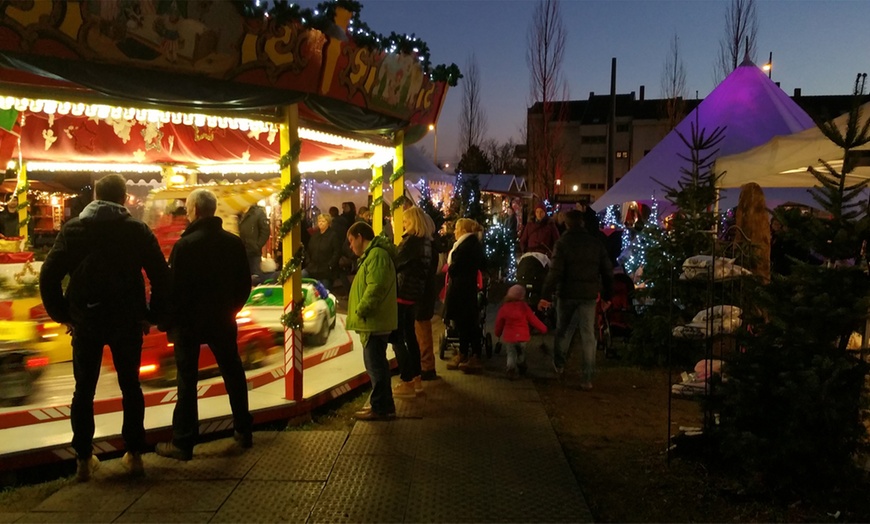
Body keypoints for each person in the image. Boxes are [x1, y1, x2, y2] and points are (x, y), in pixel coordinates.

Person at [39, 174, 170, 481]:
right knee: (131, 387)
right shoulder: (137, 231)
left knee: (83, 390)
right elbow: (162, 276)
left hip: (87, 320)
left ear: (95, 196)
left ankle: (84, 460)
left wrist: (63, 315)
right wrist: (152, 315)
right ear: (124, 198)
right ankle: (134, 454)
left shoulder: (73, 230)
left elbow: (48, 276)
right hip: (127, 320)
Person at [156, 188, 254, 460]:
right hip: (222, 319)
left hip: (189, 323)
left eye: (187, 209)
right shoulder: (232, 243)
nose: (186, 213)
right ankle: (244, 430)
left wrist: (169, 321)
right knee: (233, 372)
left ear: (196, 211)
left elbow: (174, 290)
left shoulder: (185, 246)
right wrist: (230, 309)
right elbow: (244, 284)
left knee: (187, 379)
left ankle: (184, 441)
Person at [538, 210, 613, 390]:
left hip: (567, 293)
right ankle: (587, 378)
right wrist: (608, 296)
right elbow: (607, 271)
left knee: (563, 330)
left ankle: (560, 365)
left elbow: (555, 272)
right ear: (582, 223)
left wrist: (545, 296)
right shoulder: (595, 243)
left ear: (566, 223)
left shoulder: (563, 243)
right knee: (588, 335)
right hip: (588, 295)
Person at [345, 221, 398, 420]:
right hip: (373, 321)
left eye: (351, 241)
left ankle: (381, 408)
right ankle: (381, 405)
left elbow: (376, 286)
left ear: (360, 236)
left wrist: (362, 309)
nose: (351, 246)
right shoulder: (374, 255)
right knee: (376, 365)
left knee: (376, 366)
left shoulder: (376, 255)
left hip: (374, 320)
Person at [390, 206, 434, 398]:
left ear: (413, 222)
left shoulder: (410, 242)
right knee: (410, 337)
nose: (403, 225)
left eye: (406, 222)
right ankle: (416, 379)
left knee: (397, 338)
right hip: (414, 294)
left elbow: (395, 261)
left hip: (402, 291)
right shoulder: (425, 242)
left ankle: (406, 379)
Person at [442, 218, 487, 374]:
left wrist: (451, 267)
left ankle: (472, 355)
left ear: (463, 231)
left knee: (467, 322)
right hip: (463, 288)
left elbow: (455, 268)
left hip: (463, 289)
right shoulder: (470, 245)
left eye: (456, 228)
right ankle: (464, 353)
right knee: (464, 322)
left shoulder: (467, 246)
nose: (454, 231)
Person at [495, 284, 548, 380]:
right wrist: (543, 328)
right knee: (521, 351)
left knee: (511, 353)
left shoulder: (504, 308)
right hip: (522, 336)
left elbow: (499, 322)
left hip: (510, 336)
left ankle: (510, 369)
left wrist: (498, 333)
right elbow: (533, 319)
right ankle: (521, 363)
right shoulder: (524, 307)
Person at [303, 213, 342, 285]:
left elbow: (337, 252)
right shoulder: (314, 236)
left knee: (324, 291)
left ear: (328, 223)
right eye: (319, 221)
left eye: (323, 221)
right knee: (300, 276)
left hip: (325, 270)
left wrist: (330, 265)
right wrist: (308, 262)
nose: (320, 223)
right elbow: (308, 250)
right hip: (312, 267)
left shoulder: (333, 235)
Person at [238, 203, 270, 283]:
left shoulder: (258, 213)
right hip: (240, 252)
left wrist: (257, 245)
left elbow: (265, 231)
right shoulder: (238, 213)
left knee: (256, 278)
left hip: (253, 252)